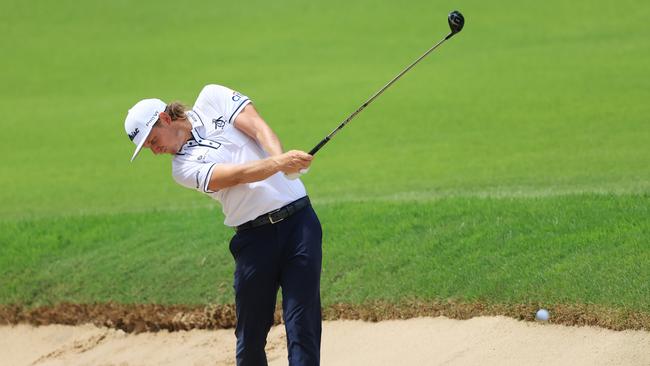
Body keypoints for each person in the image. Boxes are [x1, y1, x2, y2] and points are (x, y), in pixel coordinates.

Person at [124, 84, 323, 366]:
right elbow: (237, 175)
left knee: (302, 326)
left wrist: (283, 160)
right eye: (147, 148)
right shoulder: (182, 168)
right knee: (250, 339)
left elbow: (257, 127)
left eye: (152, 140)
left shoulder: (211, 98)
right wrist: (280, 163)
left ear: (165, 119)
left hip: (300, 226)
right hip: (254, 241)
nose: (154, 151)